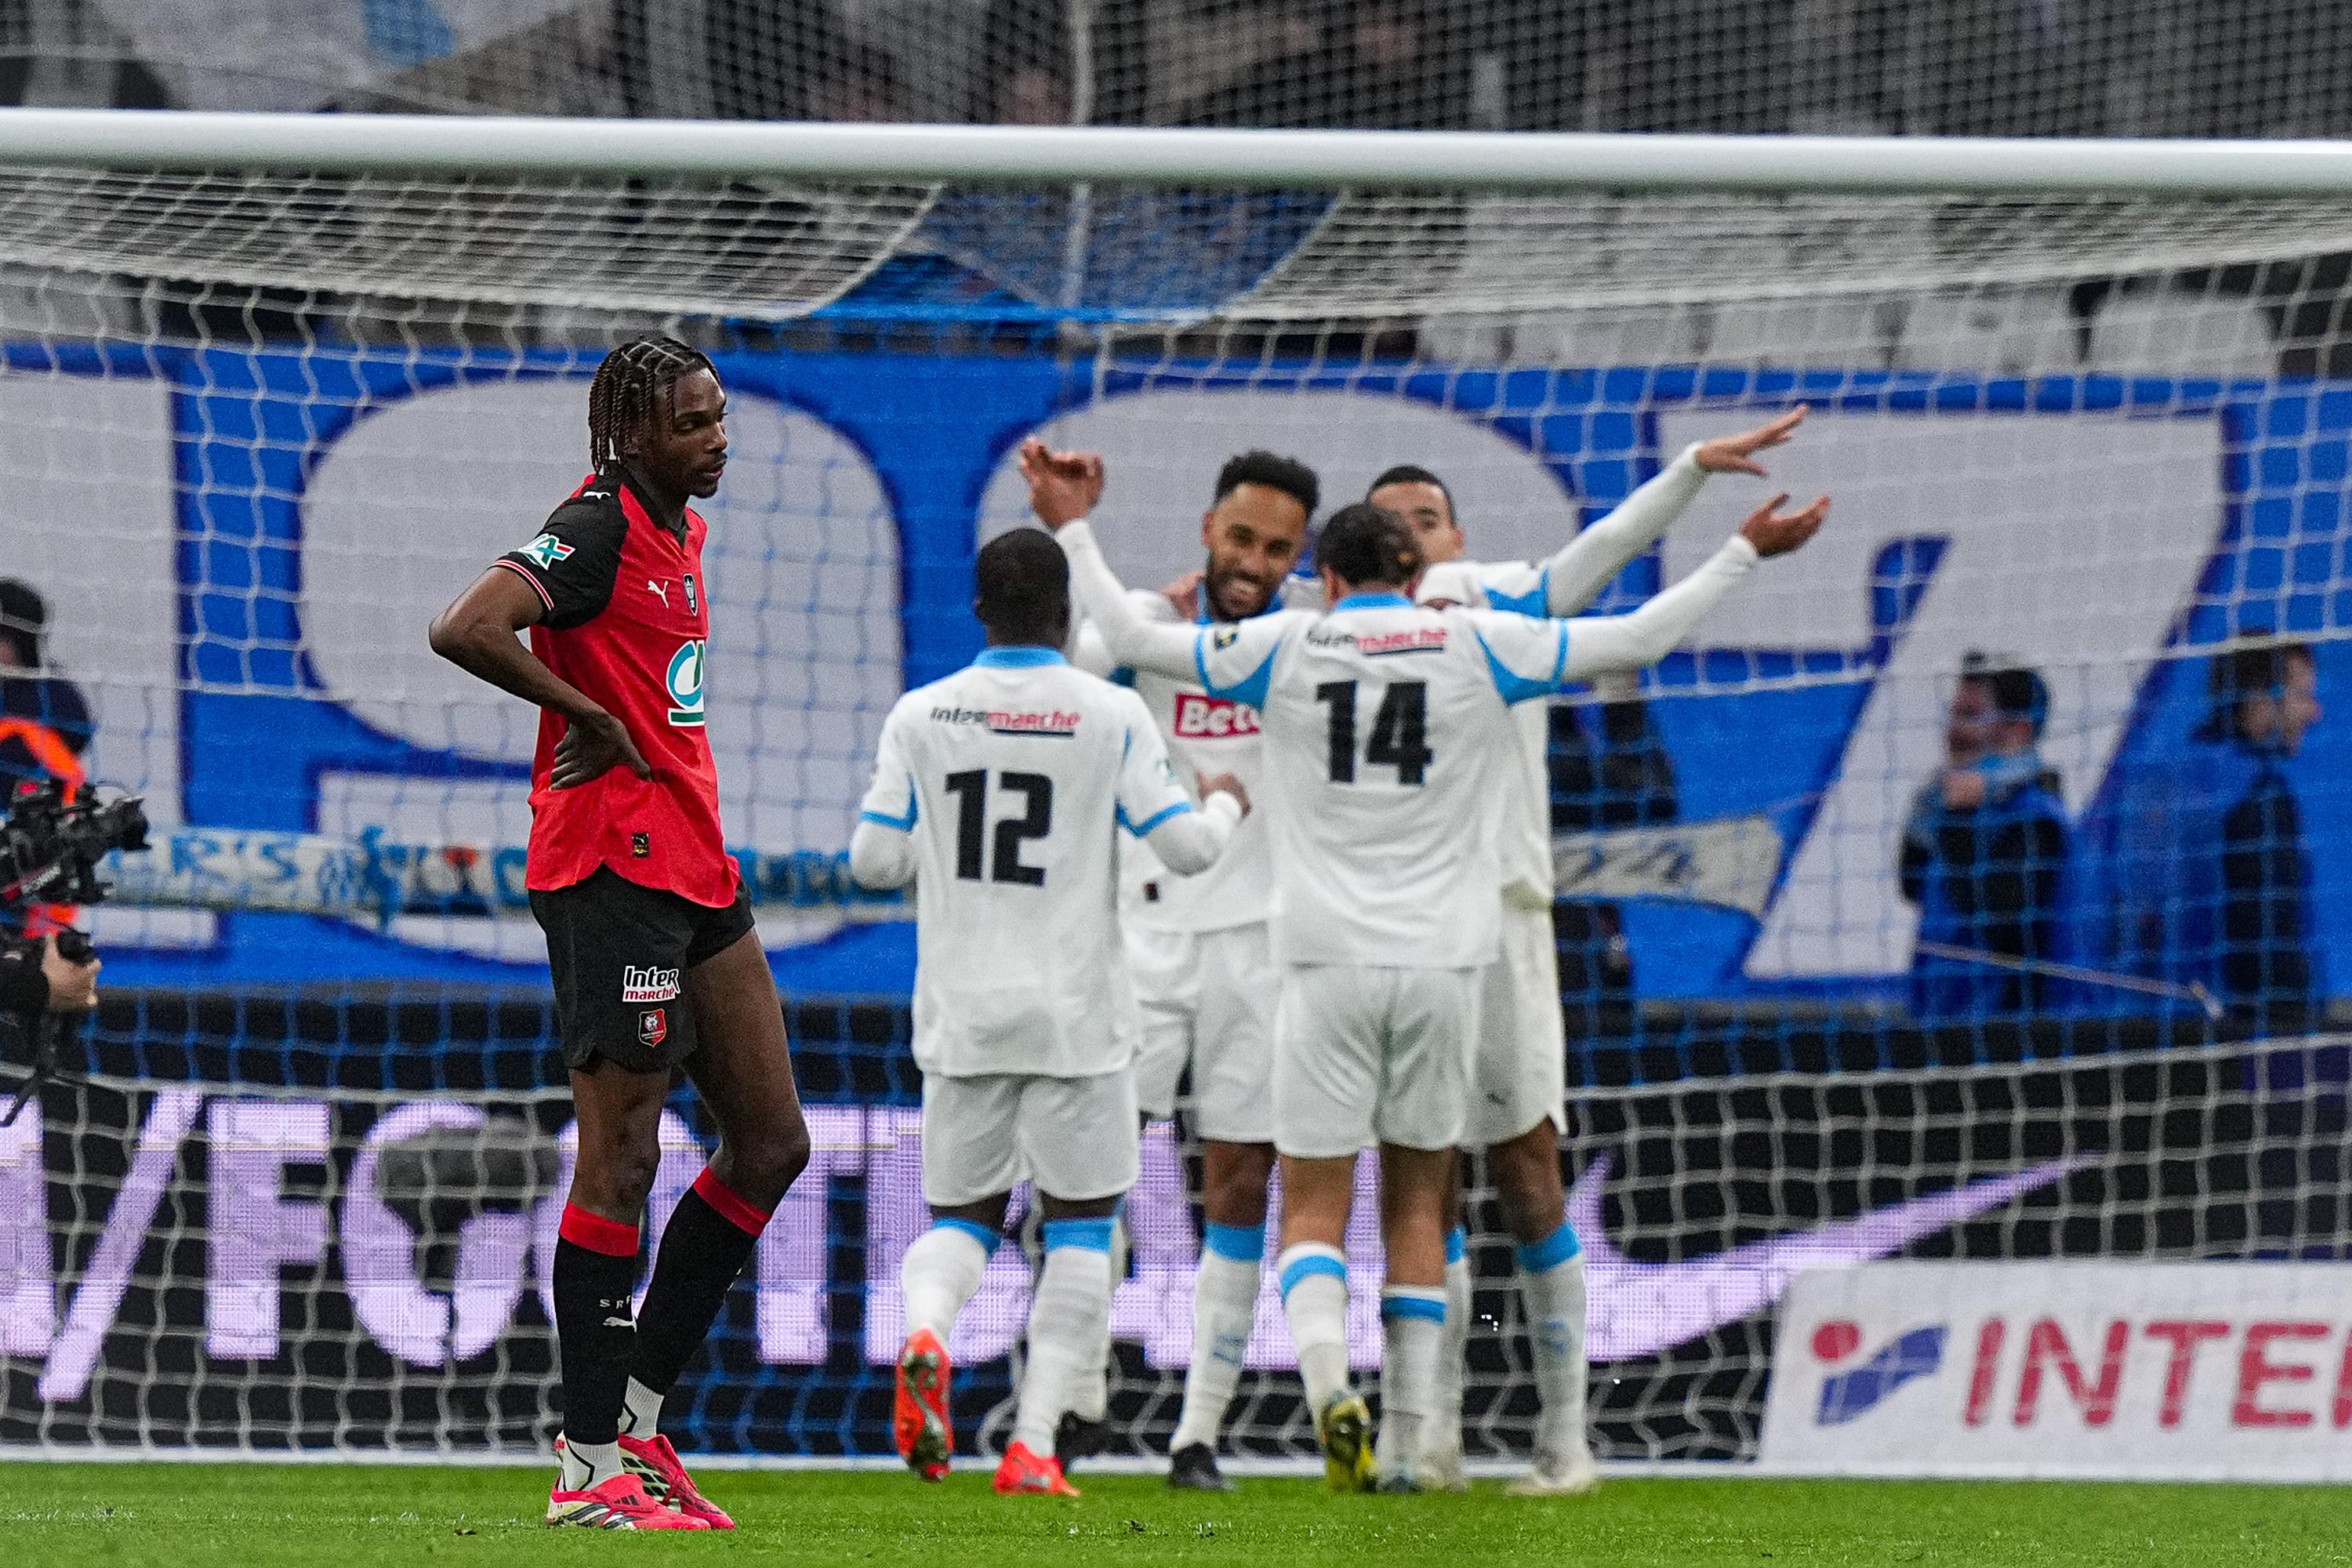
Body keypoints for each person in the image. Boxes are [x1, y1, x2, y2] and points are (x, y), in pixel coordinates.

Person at [1033, 454, 1828, 1492]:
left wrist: (1073, 527)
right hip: (1448, 961)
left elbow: (1130, 643)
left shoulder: (1282, 646)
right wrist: (1738, 551)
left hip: (1315, 964)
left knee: (1308, 1205)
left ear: (1322, 569)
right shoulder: (1478, 641)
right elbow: (1639, 636)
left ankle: (1334, 1400)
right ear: (1413, 573)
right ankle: (1410, 1442)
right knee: (1420, 1199)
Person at [1362, 407, 1806, 1492]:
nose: (1416, 537)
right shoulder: (1329, 634)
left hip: (1506, 927)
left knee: (1526, 1175)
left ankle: (1566, 1438)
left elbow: (1598, 560)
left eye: (1430, 519)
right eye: (1393, 525)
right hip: (1385, 931)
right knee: (1412, 1185)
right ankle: (1424, 1438)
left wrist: (1692, 476)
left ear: (1456, 542)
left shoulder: (1490, 605)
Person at [427, 336, 811, 1532]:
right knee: (623, 1161)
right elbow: (467, 625)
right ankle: (587, 1467)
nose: (719, 437)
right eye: (694, 423)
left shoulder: (675, 529)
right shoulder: (592, 527)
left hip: (694, 860)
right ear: (635, 433)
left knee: (771, 1143)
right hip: (611, 869)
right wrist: (582, 710)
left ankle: (638, 1422)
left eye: (720, 415)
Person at [848, 528, 1247, 1498]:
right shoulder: (1107, 712)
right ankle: (1031, 1445)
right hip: (1081, 1018)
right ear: (1067, 615)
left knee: (963, 1217)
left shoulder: (922, 712)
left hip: (964, 1013)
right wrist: (1228, 802)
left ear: (978, 611)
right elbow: (1188, 850)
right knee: (1081, 1224)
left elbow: (873, 862)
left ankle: (929, 1335)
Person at [1051, 449, 1317, 1492]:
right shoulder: (1138, 635)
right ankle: (1074, 1398)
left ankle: (1199, 1436)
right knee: (1095, 1176)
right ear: (1210, 528)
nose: (1253, 561)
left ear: (1301, 557)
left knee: (1241, 1181)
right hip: (1145, 940)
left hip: (1264, 944)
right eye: (1241, 538)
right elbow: (1074, 688)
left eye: (1278, 547)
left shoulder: (1308, 649)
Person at [2097, 640, 2324, 1031]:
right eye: (2302, 695)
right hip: (2226, 1037)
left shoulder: (2150, 782)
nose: (2314, 712)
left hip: (2133, 1026)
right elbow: (2268, 943)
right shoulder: (2259, 794)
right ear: (2259, 700)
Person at [1897, 655, 2070, 1021]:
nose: (1953, 731)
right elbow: (1913, 887)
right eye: (1955, 713)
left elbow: (2006, 930)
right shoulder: (1953, 809)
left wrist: (1959, 821)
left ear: (2018, 732)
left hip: (2002, 1037)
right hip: (1942, 1019)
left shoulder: (2036, 821)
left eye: (1971, 716)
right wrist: (1924, 820)